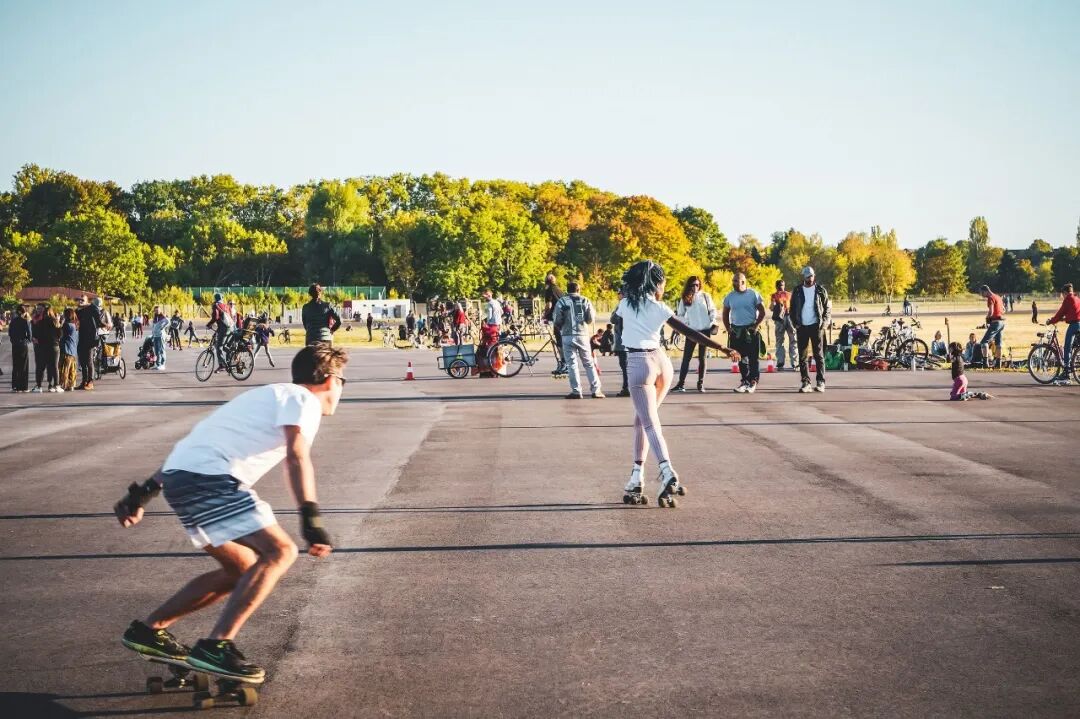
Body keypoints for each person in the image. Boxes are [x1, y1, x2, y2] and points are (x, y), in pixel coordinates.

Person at [114, 345, 346, 683]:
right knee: (280, 551)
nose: (341, 390)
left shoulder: (265, 396)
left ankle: (150, 630)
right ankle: (217, 646)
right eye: (342, 382)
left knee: (242, 569)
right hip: (210, 479)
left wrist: (142, 493)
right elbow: (297, 456)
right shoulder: (303, 399)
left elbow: (194, 446)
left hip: (180, 478)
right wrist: (311, 519)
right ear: (329, 379)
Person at [615, 260, 737, 506]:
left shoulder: (625, 304)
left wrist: (627, 299)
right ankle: (636, 476)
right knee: (641, 420)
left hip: (639, 364)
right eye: (662, 283)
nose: (663, 287)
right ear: (654, 285)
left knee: (649, 423)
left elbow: (616, 322)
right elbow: (690, 332)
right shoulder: (659, 307)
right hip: (662, 363)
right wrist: (721, 347)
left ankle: (667, 471)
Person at [552, 282, 603, 398]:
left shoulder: (562, 301)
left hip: (567, 335)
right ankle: (596, 390)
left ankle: (576, 391)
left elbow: (557, 319)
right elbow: (590, 319)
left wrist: (561, 326)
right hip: (582, 334)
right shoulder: (585, 300)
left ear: (567, 290)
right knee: (588, 363)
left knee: (572, 364)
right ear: (578, 289)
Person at [788, 266, 832, 393]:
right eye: (807, 276)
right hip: (802, 326)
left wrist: (824, 324)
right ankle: (806, 382)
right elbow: (792, 309)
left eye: (811, 276)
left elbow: (827, 308)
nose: (810, 278)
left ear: (814, 276)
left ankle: (820, 381)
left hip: (816, 326)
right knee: (802, 356)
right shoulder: (797, 290)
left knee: (819, 355)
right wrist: (795, 323)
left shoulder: (820, 290)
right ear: (804, 277)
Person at [721, 273, 766, 393]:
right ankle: (745, 381)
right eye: (733, 281)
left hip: (750, 330)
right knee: (740, 357)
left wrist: (756, 325)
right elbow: (725, 314)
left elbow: (762, 312)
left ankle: (753, 381)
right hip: (736, 331)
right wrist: (728, 328)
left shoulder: (753, 294)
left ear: (743, 282)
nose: (734, 283)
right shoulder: (730, 296)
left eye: (736, 281)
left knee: (753, 358)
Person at [672, 276, 717, 393]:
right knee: (686, 358)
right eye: (693, 285)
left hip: (705, 330)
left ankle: (700, 384)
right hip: (692, 332)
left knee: (702, 358)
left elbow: (712, 310)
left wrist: (712, 322)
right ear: (689, 286)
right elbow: (680, 315)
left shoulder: (705, 296)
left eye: (697, 284)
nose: (695, 287)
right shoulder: (685, 298)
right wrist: (687, 324)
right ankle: (681, 384)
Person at [1047, 283, 1080, 386]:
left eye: (1063, 293)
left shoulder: (1068, 299)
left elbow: (1060, 313)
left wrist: (1051, 321)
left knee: (1067, 347)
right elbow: (1074, 313)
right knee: (1076, 348)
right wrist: (1064, 319)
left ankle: (1066, 372)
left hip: (1074, 326)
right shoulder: (1077, 298)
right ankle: (1072, 367)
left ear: (1065, 292)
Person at [76, 296, 108, 390]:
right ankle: (84, 381)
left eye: (82, 300)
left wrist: (106, 325)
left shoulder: (92, 308)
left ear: (87, 301)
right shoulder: (79, 310)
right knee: (82, 361)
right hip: (82, 337)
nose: (80, 301)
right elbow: (75, 319)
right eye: (79, 300)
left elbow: (98, 322)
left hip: (91, 338)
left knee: (89, 361)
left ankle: (90, 382)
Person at [31, 304, 61, 393]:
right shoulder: (55, 321)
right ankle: (55, 385)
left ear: (44, 310)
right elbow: (60, 334)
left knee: (40, 367)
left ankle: (39, 386)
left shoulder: (37, 321)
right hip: (53, 346)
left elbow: (35, 334)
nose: (38, 310)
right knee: (53, 366)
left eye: (40, 309)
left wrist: (36, 339)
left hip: (41, 346)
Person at [769, 279, 796, 371]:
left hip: (779, 319)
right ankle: (795, 362)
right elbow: (794, 306)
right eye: (781, 285)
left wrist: (774, 305)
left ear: (776, 286)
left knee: (780, 341)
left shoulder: (774, 295)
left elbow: (771, 307)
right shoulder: (789, 295)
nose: (781, 287)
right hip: (789, 318)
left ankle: (780, 362)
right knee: (793, 340)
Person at [543, 274, 566, 375]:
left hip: (556, 317)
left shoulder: (549, 290)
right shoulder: (559, 289)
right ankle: (563, 362)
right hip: (563, 317)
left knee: (559, 341)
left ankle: (564, 363)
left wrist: (544, 314)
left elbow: (549, 304)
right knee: (560, 340)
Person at [979, 285, 1006, 369]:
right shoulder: (998, 297)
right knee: (998, 344)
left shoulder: (990, 298)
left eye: (982, 293)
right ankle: (998, 363)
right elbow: (1004, 309)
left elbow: (991, 312)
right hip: (1002, 322)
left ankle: (985, 363)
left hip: (995, 323)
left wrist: (987, 318)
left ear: (985, 291)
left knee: (984, 342)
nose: (982, 295)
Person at [207, 293, 235, 370]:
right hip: (231, 328)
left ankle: (223, 365)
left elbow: (215, 317)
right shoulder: (226, 306)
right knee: (225, 346)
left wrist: (208, 325)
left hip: (224, 329)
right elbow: (231, 317)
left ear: (215, 298)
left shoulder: (216, 305)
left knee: (219, 347)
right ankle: (233, 355)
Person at [8, 305, 32, 392]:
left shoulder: (12, 322)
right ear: (24, 312)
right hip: (23, 346)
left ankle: (15, 386)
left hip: (15, 345)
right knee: (24, 366)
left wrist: (13, 341)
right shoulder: (25, 322)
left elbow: (10, 333)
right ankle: (23, 386)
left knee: (16, 365)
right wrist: (26, 341)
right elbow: (29, 335)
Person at [611, 292, 630, 397]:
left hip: (622, 342)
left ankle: (626, 387)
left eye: (619, 293)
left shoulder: (621, 305)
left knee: (625, 366)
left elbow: (613, 319)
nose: (618, 295)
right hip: (633, 340)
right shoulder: (636, 305)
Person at [59, 308, 79, 391]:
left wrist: (60, 323)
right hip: (73, 349)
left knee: (64, 368)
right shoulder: (75, 324)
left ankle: (64, 384)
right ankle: (71, 385)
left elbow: (61, 335)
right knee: (72, 368)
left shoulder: (66, 325)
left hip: (66, 348)